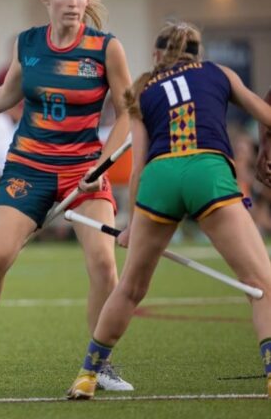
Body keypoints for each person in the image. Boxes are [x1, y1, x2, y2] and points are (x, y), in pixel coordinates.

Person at [0, 0, 134, 390]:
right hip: (29, 167)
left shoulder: (106, 48)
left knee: (104, 265)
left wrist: (100, 166)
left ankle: (99, 363)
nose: (73, 2)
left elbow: (126, 114)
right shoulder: (27, 43)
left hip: (85, 171)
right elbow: (5, 95)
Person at [67, 22, 271, 399]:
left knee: (130, 289)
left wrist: (132, 225)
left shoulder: (144, 89)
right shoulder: (219, 72)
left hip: (159, 178)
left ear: (157, 55)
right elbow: (266, 114)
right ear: (198, 53)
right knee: (262, 285)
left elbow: (139, 166)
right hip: (207, 171)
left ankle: (87, 375)